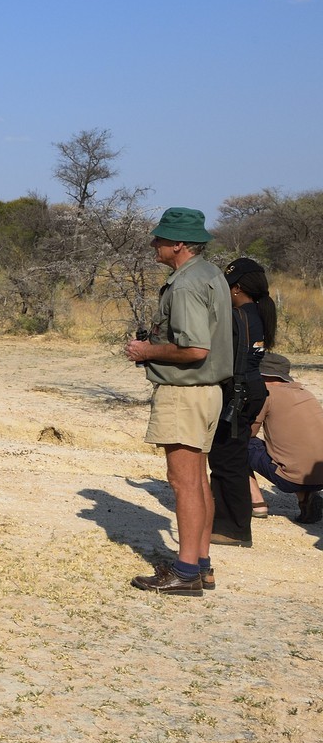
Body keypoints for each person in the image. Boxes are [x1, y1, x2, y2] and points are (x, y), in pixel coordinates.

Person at [123, 207, 233, 595]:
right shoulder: (211, 273)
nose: (155, 243)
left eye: (161, 239)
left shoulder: (185, 285)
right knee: (197, 479)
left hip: (186, 392)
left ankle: (185, 571)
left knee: (183, 481)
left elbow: (195, 349)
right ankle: (201, 564)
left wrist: (146, 351)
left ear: (179, 245)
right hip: (209, 393)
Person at [209, 258, 272, 546]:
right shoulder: (256, 314)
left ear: (236, 288)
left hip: (239, 393)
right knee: (231, 458)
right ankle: (228, 523)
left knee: (226, 461)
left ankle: (233, 528)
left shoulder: (238, 317)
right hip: (253, 389)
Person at [248, 352, 323, 524]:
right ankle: (306, 498)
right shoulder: (306, 393)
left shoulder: (267, 394)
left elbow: (249, 433)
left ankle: (257, 503)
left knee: (235, 445)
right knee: (295, 452)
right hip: (319, 475)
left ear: (263, 375)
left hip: (290, 479)